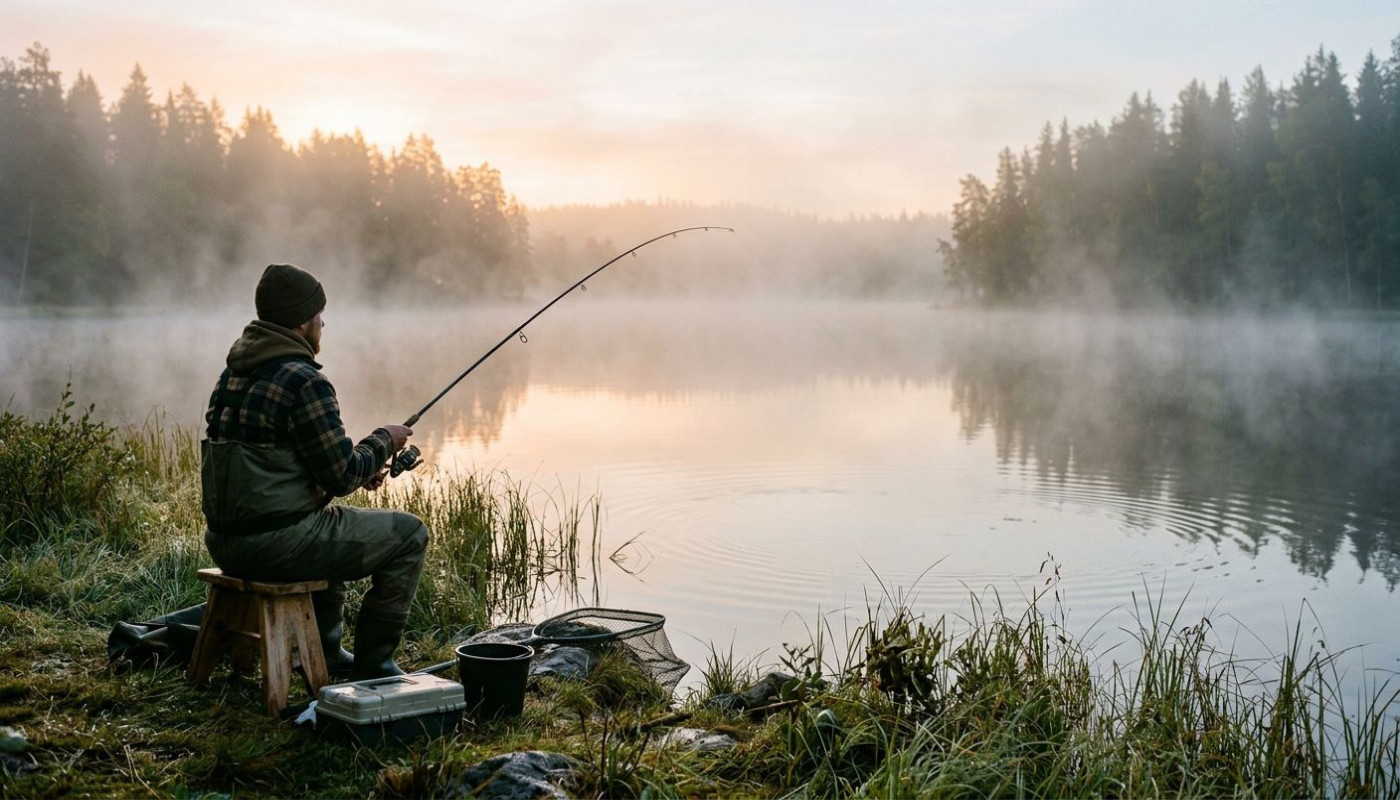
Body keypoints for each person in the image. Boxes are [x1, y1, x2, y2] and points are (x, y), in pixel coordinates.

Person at [200, 263, 429, 679]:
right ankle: (375, 665)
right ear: (304, 322)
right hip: (275, 546)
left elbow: (288, 470)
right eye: (320, 314)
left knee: (327, 523)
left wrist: (364, 466)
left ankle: (323, 652)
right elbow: (342, 477)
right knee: (411, 534)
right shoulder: (304, 381)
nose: (324, 322)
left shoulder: (231, 374)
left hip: (225, 542)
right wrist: (385, 440)